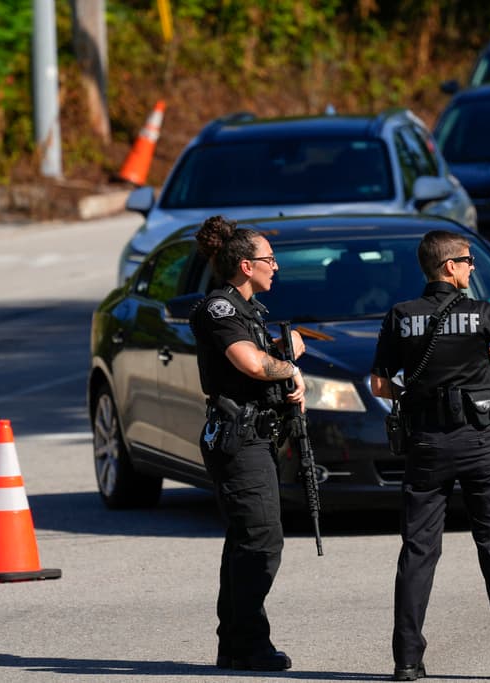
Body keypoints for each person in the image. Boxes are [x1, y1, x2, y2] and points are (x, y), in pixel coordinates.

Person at [370, 230, 490, 681]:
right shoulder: (482, 313)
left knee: (417, 550)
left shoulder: (400, 316)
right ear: (449, 266)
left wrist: (410, 389)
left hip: (427, 445)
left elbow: (378, 385)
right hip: (477, 444)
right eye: (468, 261)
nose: (473, 267)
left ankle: (407, 660)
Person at [189, 215, 306, 672]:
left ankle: (235, 643)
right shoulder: (219, 310)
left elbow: (268, 359)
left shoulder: (249, 311)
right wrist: (288, 368)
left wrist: (289, 354)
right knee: (260, 541)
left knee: (247, 540)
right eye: (268, 260)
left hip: (256, 436)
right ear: (244, 265)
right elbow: (250, 364)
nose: (275, 267)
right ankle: (250, 644)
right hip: (237, 438)